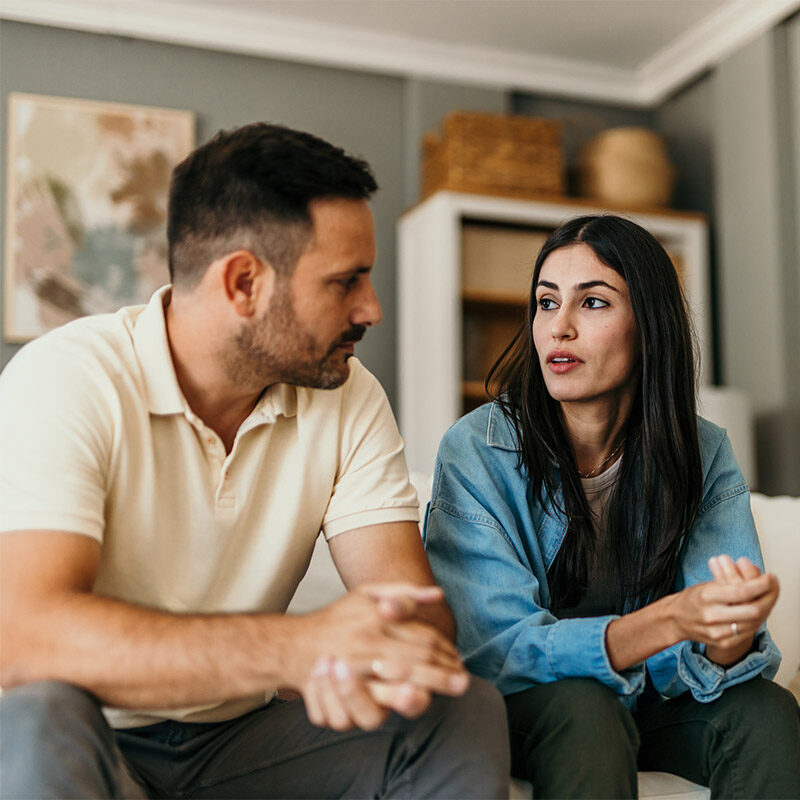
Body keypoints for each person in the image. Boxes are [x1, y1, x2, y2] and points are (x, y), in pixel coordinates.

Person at [0, 122, 509, 799]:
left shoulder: (349, 395)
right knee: (35, 715)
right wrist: (293, 649)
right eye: (345, 282)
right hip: (94, 733)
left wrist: (380, 657)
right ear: (243, 282)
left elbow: (410, 613)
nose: (372, 309)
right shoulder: (66, 379)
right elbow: (24, 637)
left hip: (244, 745)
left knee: (459, 707)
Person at [423, 214, 800, 799]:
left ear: (647, 325)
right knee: (585, 704)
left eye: (593, 303)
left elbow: (707, 658)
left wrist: (730, 627)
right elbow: (493, 651)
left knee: (765, 710)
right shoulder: (476, 449)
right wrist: (665, 622)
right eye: (546, 303)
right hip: (530, 706)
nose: (559, 328)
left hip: (649, 703)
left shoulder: (703, 450)